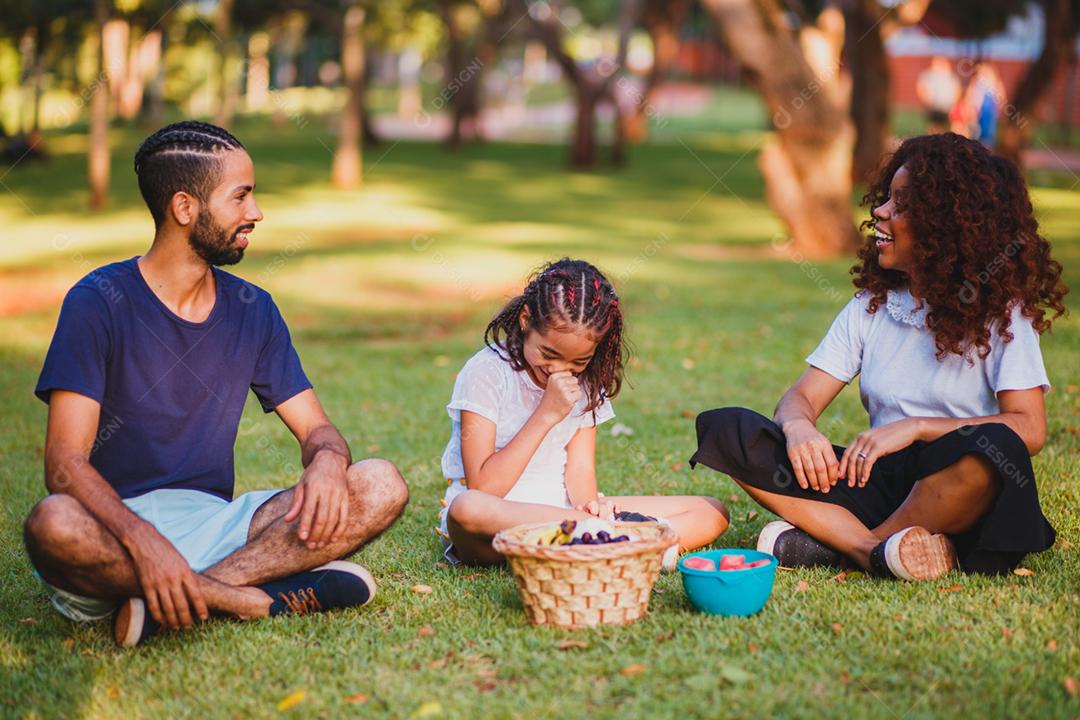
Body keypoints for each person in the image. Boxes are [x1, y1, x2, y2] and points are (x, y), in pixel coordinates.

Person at [22, 121, 409, 647]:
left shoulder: (253, 309)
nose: (256, 212)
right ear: (185, 208)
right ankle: (248, 598)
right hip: (111, 533)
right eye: (241, 196)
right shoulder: (97, 302)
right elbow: (64, 465)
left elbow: (317, 429)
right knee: (51, 523)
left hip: (216, 528)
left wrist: (327, 461)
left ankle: (181, 600)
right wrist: (143, 540)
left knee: (380, 482)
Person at [692, 133, 1066, 581]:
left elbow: (1029, 428)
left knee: (994, 448)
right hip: (877, 481)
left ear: (946, 226)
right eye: (886, 198)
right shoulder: (873, 306)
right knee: (728, 428)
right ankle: (873, 550)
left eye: (901, 205)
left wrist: (915, 428)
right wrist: (798, 428)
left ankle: (845, 547)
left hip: (960, 487)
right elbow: (801, 397)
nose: (880, 212)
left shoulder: (1004, 316)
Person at [438, 258, 729, 567]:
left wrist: (589, 507)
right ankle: (621, 542)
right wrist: (546, 415)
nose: (559, 371)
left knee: (711, 510)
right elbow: (484, 487)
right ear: (525, 320)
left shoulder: (588, 382)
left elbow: (580, 470)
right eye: (549, 354)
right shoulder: (487, 372)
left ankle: (601, 540)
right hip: (499, 523)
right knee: (466, 508)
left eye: (577, 363)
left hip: (569, 513)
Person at [916, 56, 961, 134]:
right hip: (934, 106)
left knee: (946, 127)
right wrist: (926, 101)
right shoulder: (928, 75)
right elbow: (921, 88)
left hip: (947, 107)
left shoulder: (950, 76)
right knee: (934, 127)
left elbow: (957, 89)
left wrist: (954, 103)